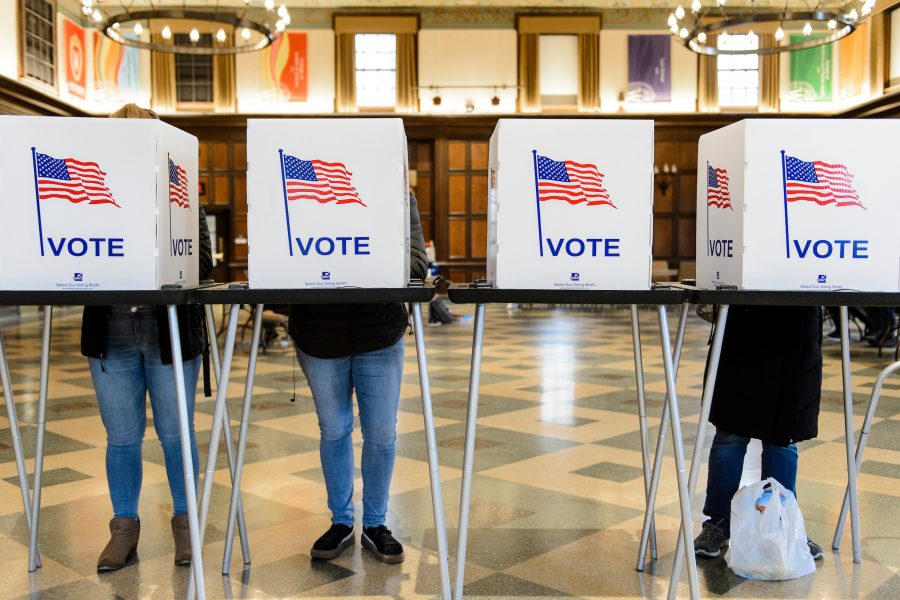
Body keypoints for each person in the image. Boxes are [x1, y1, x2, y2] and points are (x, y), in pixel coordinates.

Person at [81, 103, 212, 572]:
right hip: (110, 327)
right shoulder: (89, 193)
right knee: (121, 437)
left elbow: (203, 266)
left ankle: (186, 525)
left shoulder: (181, 193)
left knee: (176, 435)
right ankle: (124, 529)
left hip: (168, 326)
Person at [288, 193, 428, 564]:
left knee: (381, 432)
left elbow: (417, 265)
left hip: (378, 331)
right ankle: (341, 522)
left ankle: (376, 524)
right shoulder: (300, 193)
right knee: (333, 429)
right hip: (317, 332)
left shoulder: (398, 194)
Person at [693, 305, 825, 562]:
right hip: (744, 313)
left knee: (783, 437)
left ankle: (782, 523)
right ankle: (718, 523)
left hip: (796, 319)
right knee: (730, 433)